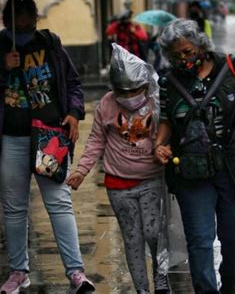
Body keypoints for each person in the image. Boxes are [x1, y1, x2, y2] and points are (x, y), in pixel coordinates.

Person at [0, 0, 95, 294]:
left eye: (30, 21)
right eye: (20, 22)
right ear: (6, 21)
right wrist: (3, 67)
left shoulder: (50, 44)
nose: (26, 26)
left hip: (49, 137)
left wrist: (75, 113)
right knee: (14, 209)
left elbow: (72, 84)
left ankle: (76, 272)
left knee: (59, 204)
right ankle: (18, 272)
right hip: (10, 139)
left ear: (36, 19)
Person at [153, 19, 235, 294]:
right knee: (199, 240)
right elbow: (165, 120)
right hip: (192, 170)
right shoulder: (168, 83)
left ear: (200, 45)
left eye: (187, 52)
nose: (183, 59)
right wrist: (159, 144)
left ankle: (230, 283)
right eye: (176, 56)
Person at [66, 44, 170, 294]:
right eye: (123, 91)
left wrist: (163, 149)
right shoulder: (106, 104)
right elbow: (95, 140)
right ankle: (142, 289)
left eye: (135, 90)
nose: (130, 96)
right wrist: (82, 169)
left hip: (151, 180)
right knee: (133, 239)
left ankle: (161, 276)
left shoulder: (156, 103)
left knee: (154, 232)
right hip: (118, 185)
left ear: (145, 86)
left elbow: (167, 134)